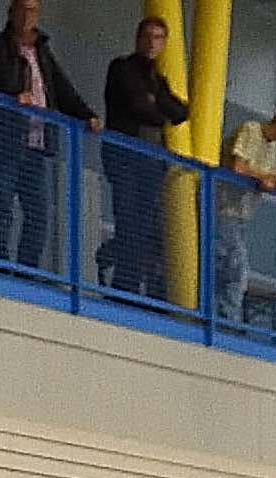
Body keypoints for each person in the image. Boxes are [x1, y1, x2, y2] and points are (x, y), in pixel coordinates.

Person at [0, 0, 98, 272]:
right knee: (3, 208)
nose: (27, 16)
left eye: (32, 10)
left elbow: (62, 89)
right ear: (11, 13)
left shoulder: (43, 51)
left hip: (36, 145)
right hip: (4, 141)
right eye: (22, 9)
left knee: (39, 214)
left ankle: (26, 270)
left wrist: (87, 115)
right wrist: (14, 94)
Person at [100, 17, 190, 296]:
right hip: (126, 158)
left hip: (150, 163)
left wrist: (156, 104)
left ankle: (126, 284)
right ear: (138, 38)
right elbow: (141, 107)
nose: (152, 42)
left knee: (144, 227)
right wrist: (157, 108)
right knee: (128, 222)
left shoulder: (156, 80)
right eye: (148, 36)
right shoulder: (122, 68)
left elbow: (182, 111)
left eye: (159, 37)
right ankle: (122, 287)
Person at [217, 101, 276, 320]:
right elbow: (238, 167)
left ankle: (222, 315)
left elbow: (271, 177)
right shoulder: (251, 129)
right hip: (223, 207)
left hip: (241, 215)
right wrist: (262, 177)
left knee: (227, 265)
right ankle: (228, 319)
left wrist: (275, 180)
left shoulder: (272, 147)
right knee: (236, 266)